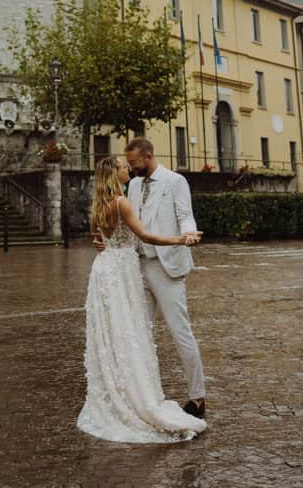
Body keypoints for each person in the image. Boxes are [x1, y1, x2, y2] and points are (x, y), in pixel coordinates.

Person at [77, 156, 207, 444]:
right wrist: (180, 240)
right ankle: (139, 398)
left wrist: (100, 242)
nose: (128, 169)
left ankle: (119, 393)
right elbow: (145, 235)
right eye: (123, 167)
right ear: (114, 174)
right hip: (122, 271)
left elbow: (96, 238)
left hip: (104, 270)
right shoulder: (122, 202)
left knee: (117, 333)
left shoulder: (98, 205)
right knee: (130, 332)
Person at [125, 137, 207, 421]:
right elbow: (132, 220)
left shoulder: (175, 181)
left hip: (167, 267)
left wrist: (189, 235)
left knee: (179, 331)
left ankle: (197, 398)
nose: (131, 168)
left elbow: (185, 215)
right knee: (141, 332)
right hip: (139, 265)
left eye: (134, 163)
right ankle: (147, 397)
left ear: (148, 156)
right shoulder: (134, 184)